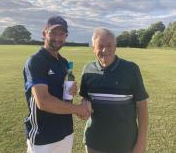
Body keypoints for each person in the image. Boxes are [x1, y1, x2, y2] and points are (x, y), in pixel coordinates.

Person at [23, 15, 91, 153]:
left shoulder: (64, 62)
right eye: (53, 33)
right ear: (44, 33)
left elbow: (65, 96)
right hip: (43, 136)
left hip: (65, 131)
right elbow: (43, 101)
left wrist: (71, 90)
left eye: (62, 34)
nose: (57, 38)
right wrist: (78, 109)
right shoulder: (36, 61)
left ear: (66, 36)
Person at [79, 28, 149, 153]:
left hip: (125, 143)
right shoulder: (88, 70)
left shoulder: (131, 69)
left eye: (109, 45)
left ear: (115, 47)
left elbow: (142, 106)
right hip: (94, 142)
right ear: (93, 48)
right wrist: (84, 102)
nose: (105, 50)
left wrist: (141, 142)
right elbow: (85, 98)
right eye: (100, 46)